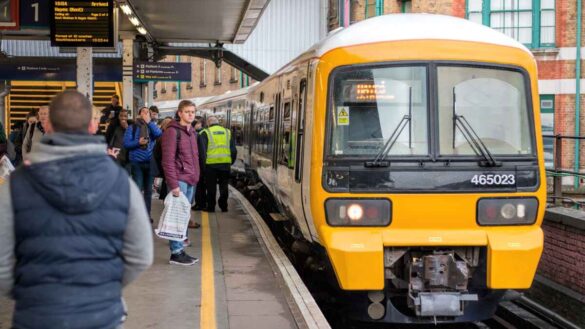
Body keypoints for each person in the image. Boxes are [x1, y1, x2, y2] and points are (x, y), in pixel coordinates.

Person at [0, 90, 153, 329]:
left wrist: (30, 293)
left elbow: (1, 263)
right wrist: (103, 288)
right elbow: (141, 256)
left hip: (36, 317)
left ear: (48, 124)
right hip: (102, 316)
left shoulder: (14, 185)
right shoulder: (121, 182)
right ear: (92, 126)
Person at [161, 100, 200, 265]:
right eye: (187, 111)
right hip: (180, 179)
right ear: (180, 113)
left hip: (191, 178)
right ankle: (176, 253)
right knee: (176, 218)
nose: (191, 114)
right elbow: (167, 160)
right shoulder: (172, 132)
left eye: (193, 111)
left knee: (184, 217)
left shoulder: (191, 132)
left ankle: (180, 249)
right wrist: (174, 184)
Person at [124, 106, 162, 217]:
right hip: (137, 163)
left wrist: (149, 122)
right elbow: (126, 144)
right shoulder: (132, 128)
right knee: (138, 189)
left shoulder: (152, 127)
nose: (145, 114)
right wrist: (138, 142)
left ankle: (146, 215)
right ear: (139, 114)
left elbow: (159, 134)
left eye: (147, 112)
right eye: (143, 112)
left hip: (149, 163)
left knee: (148, 191)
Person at [199, 116, 237, 212]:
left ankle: (211, 207)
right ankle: (224, 206)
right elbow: (233, 150)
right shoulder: (227, 132)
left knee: (211, 187)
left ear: (208, 123)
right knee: (224, 186)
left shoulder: (205, 132)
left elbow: (202, 152)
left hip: (210, 165)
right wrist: (230, 161)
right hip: (225, 164)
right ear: (218, 122)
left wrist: (202, 166)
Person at [192, 116, 207, 211]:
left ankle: (200, 204)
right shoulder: (201, 133)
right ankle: (201, 203)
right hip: (201, 164)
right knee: (201, 186)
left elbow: (202, 152)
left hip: (200, 165)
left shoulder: (200, 134)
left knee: (200, 186)